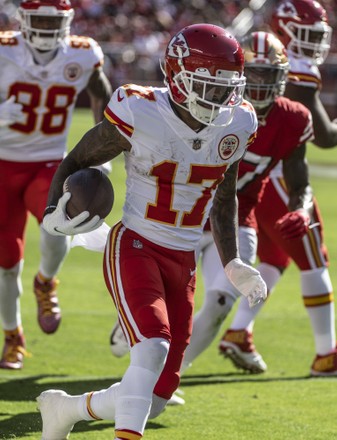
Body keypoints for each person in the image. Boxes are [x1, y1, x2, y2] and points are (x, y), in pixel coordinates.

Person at [37, 23, 267, 440]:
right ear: (178, 78)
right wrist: (56, 210)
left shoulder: (236, 121)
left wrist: (232, 261)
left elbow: (224, 197)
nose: (219, 96)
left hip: (185, 261)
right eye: (209, 85)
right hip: (136, 245)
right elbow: (75, 160)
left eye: (226, 86)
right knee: (151, 348)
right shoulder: (139, 110)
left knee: (157, 393)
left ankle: (65, 409)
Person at [220, 0, 337, 376]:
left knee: (275, 258)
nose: (314, 43)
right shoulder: (292, 69)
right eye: (306, 33)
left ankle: (239, 331)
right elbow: (324, 137)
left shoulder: (275, 60)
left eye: (318, 35)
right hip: (278, 176)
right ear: (284, 29)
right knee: (313, 259)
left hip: (259, 176)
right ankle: (327, 353)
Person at [0, 0, 112, 370]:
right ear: (24, 20)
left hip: (49, 161)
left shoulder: (81, 53)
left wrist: (104, 148)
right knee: (5, 264)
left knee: (61, 220)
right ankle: (13, 335)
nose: (48, 28)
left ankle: (46, 281)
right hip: (1, 164)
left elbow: (101, 92)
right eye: (40, 19)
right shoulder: (4, 49)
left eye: (54, 20)